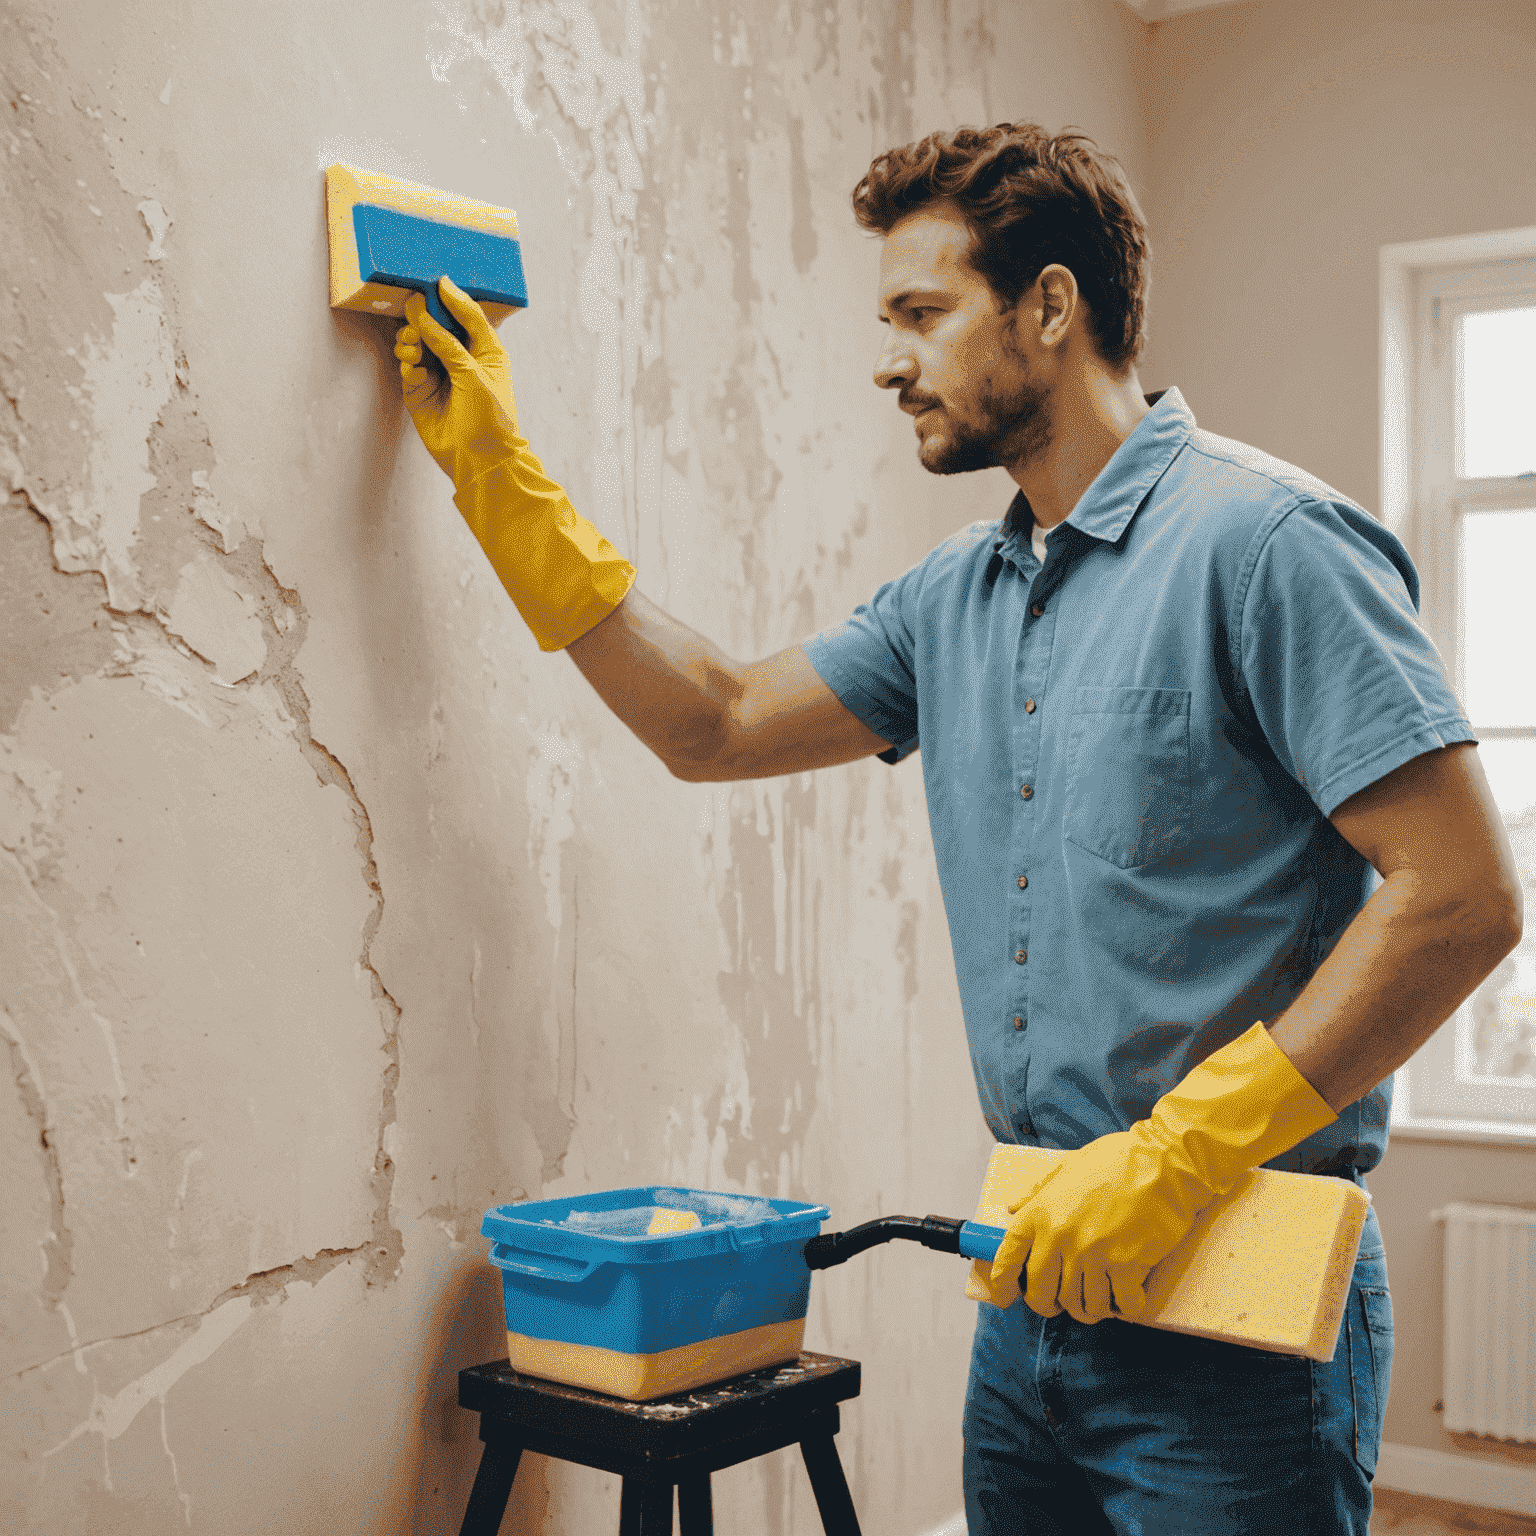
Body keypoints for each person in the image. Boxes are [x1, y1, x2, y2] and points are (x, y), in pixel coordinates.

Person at [391, 123, 1522, 1535]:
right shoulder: (956, 598)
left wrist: (1175, 1157)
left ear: (1048, 308)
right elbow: (717, 722)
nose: (890, 359)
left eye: (922, 315)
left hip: (1239, 1317)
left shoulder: (1271, 545)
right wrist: (498, 472)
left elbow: (1462, 896)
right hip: (1034, 1298)